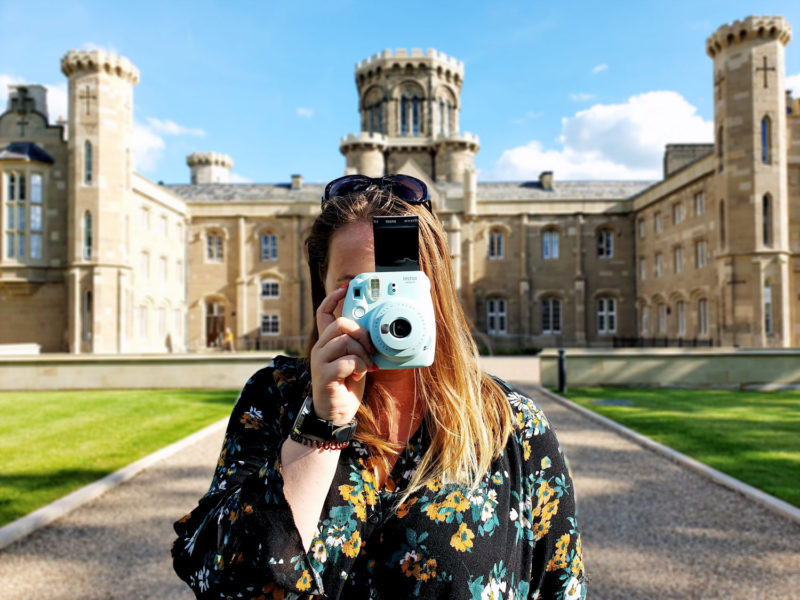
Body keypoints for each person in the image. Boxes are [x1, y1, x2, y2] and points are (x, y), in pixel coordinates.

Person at [172, 174, 585, 600]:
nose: (385, 312)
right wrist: (320, 426)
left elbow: (561, 587)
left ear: (435, 289)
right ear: (325, 291)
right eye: (358, 288)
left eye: (399, 287)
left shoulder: (511, 423)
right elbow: (217, 580)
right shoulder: (274, 398)